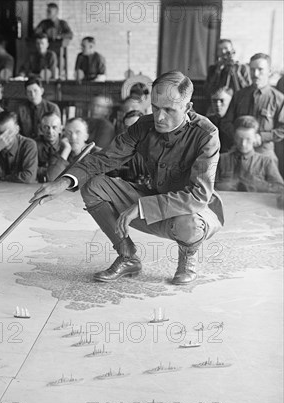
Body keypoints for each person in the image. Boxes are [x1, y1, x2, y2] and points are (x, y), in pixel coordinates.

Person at [30, 71, 224, 285]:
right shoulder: (144, 125)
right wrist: (64, 181)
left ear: (187, 108)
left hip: (192, 211)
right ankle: (127, 256)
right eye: (156, 107)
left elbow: (198, 195)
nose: (159, 117)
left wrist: (141, 207)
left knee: (188, 223)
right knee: (94, 187)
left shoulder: (206, 134)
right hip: (154, 200)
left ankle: (188, 259)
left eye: (169, 110)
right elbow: (105, 159)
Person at [222, 53, 284, 173]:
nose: (255, 74)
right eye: (252, 70)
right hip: (238, 152)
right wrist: (238, 136)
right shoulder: (239, 96)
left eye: (260, 70)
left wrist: (262, 137)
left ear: (269, 71)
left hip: (264, 155)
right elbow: (226, 122)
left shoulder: (279, 99)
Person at [216, 115, 283, 193]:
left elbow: (280, 189)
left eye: (248, 139)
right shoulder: (221, 159)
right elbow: (208, 185)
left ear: (255, 138)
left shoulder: (266, 162)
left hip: (256, 203)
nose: (243, 144)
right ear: (234, 136)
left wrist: (258, 185)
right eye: (239, 138)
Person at [46, 117, 99, 181]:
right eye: (69, 133)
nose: (73, 137)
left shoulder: (98, 153)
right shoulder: (60, 155)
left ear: (86, 136)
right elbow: (51, 179)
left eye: (78, 132)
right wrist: (66, 150)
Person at [36, 112, 62, 182]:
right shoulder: (33, 145)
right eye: (46, 127)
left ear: (60, 129)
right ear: (41, 129)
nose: (50, 131)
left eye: (54, 127)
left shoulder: (66, 146)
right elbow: (31, 169)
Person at [206, 87, 234, 152]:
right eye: (214, 101)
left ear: (230, 101)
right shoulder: (208, 122)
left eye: (222, 100)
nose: (218, 104)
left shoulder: (236, 123)